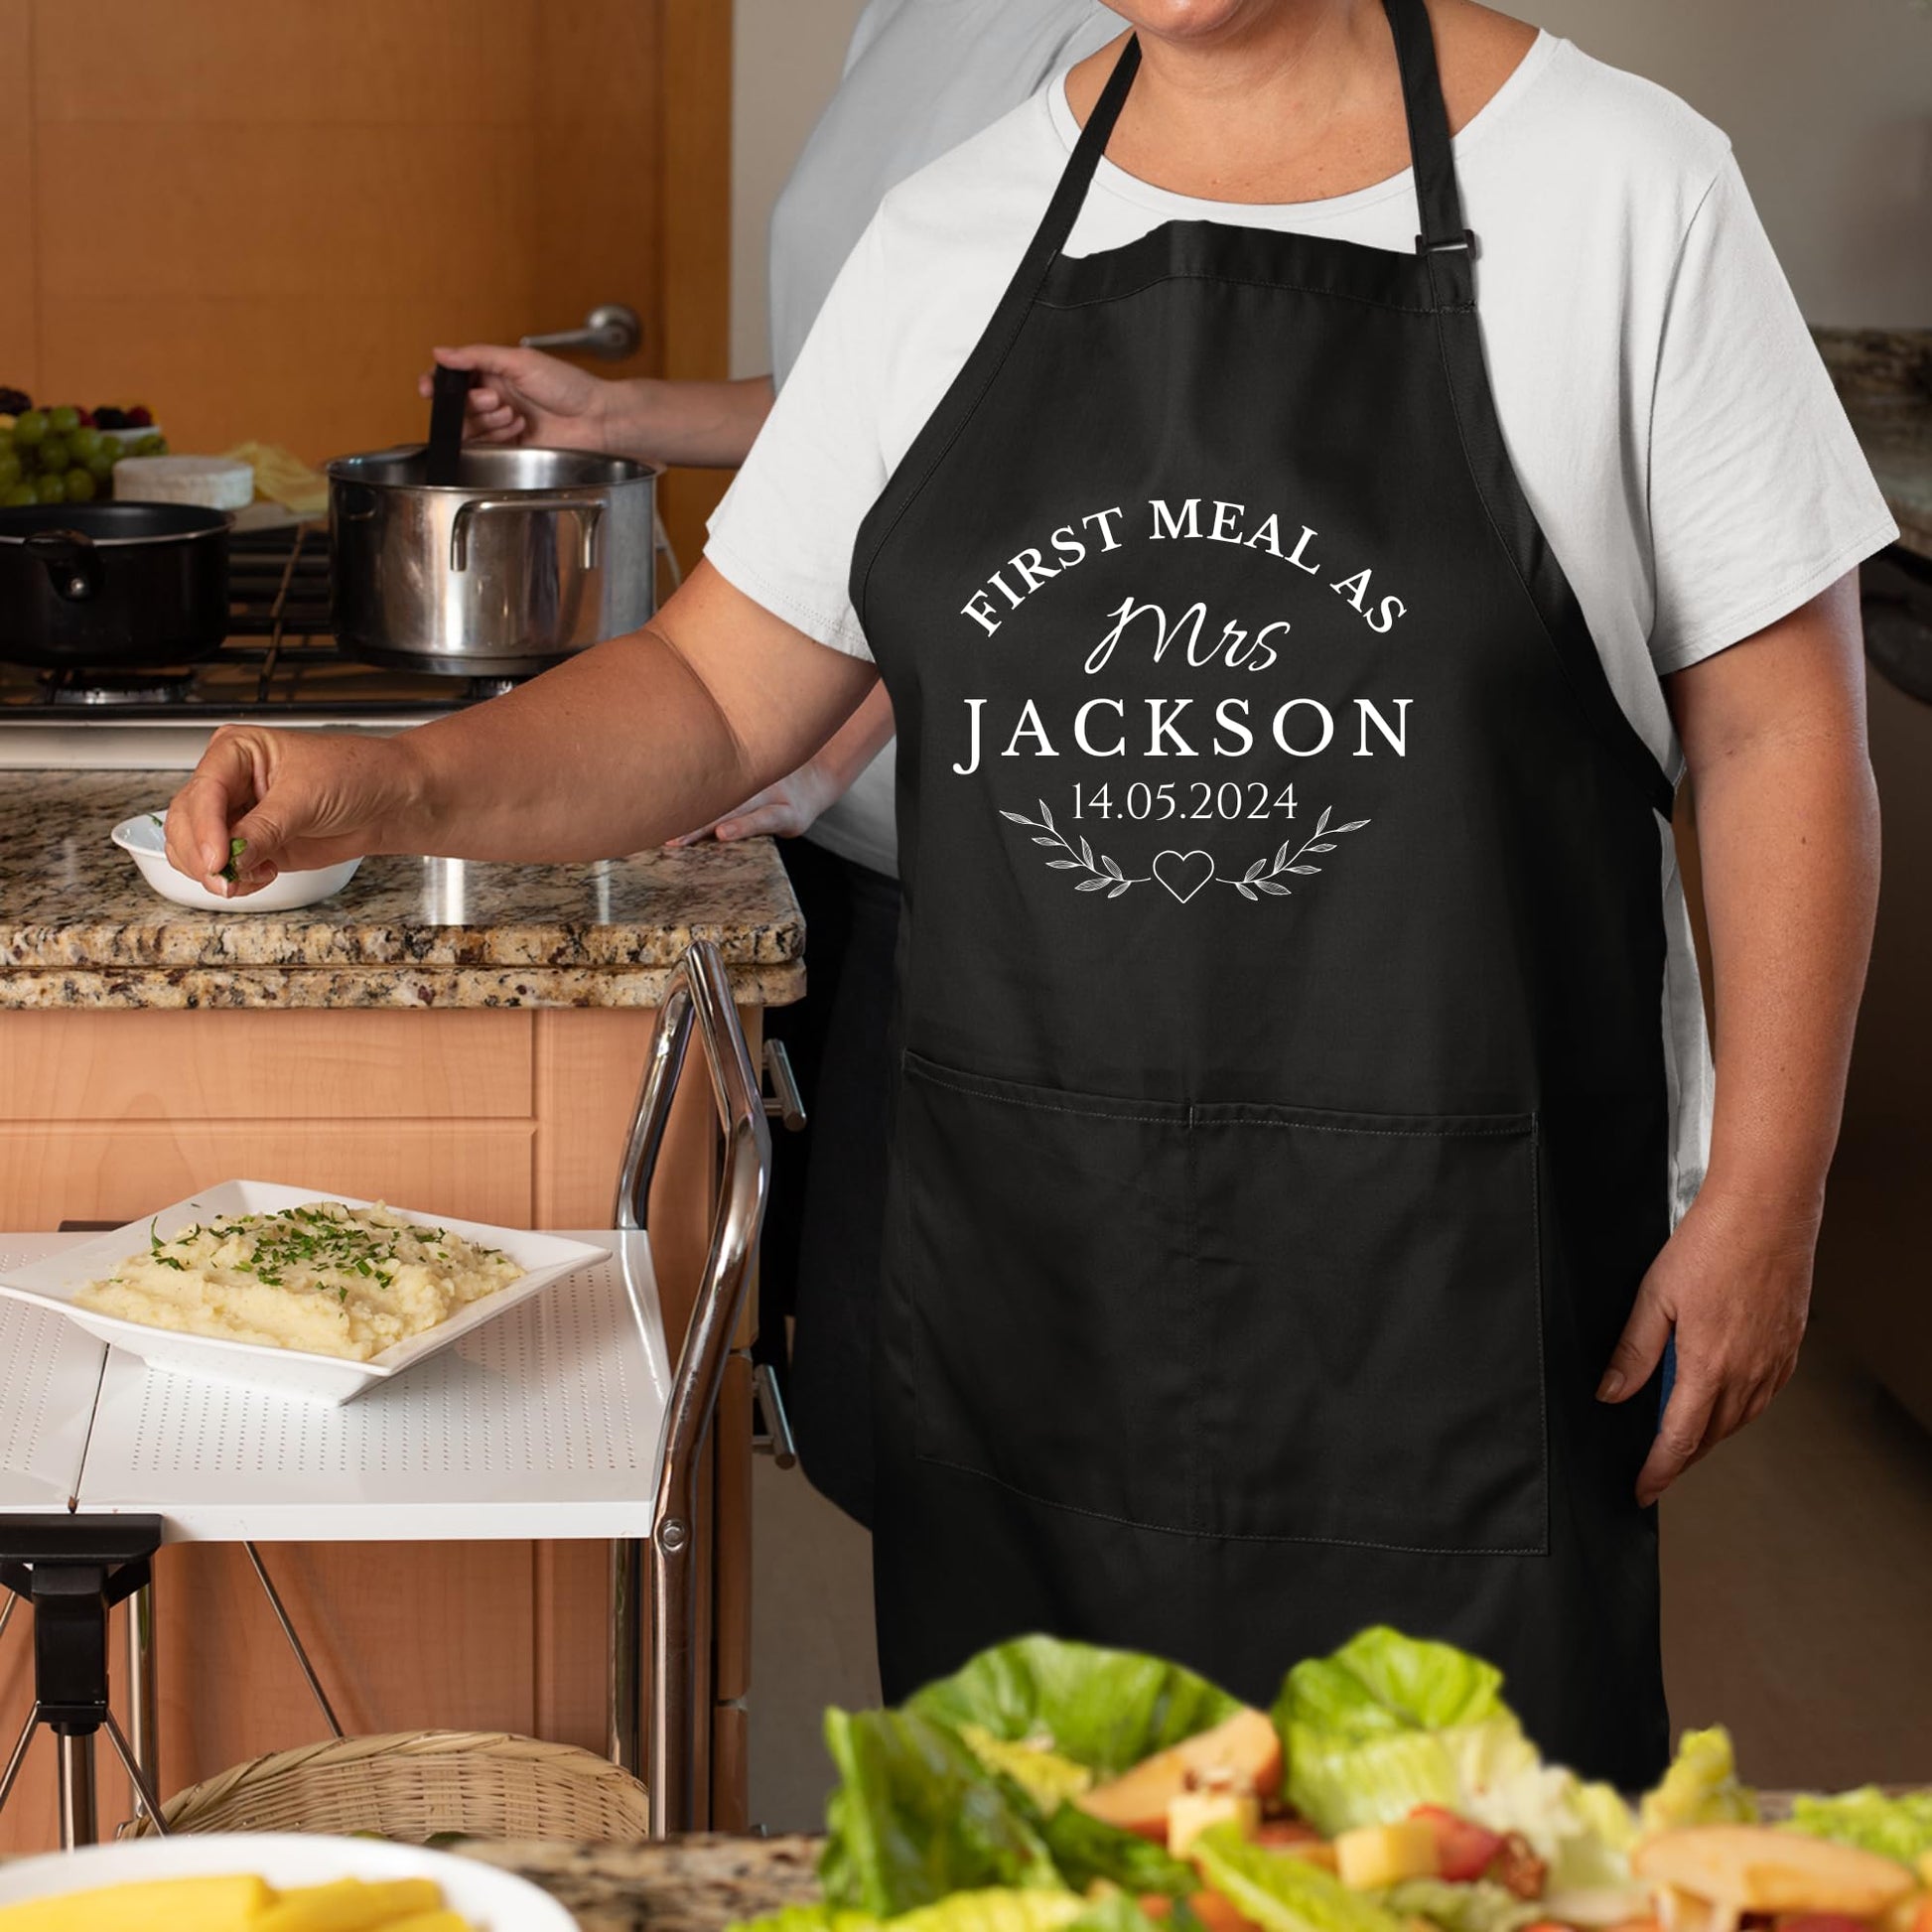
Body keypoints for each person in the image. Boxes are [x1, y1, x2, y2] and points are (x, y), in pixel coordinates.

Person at [173, 0, 1893, 1784]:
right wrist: (392, 784)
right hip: (1040, 1292)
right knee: (1038, 1852)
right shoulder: (954, 231)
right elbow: (712, 691)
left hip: (1447, 1301)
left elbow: (1775, 729)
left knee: (1452, 1858)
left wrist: (1767, 1191)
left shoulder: (1622, 187)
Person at [421, 0, 1121, 1528]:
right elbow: (863, 405)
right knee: (858, 1403)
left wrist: (817, 735)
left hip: (989, 856)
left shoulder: (1133, 34)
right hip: (833, 843)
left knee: (983, 1444)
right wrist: (620, 413)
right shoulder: (905, 16)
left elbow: (1049, 465)